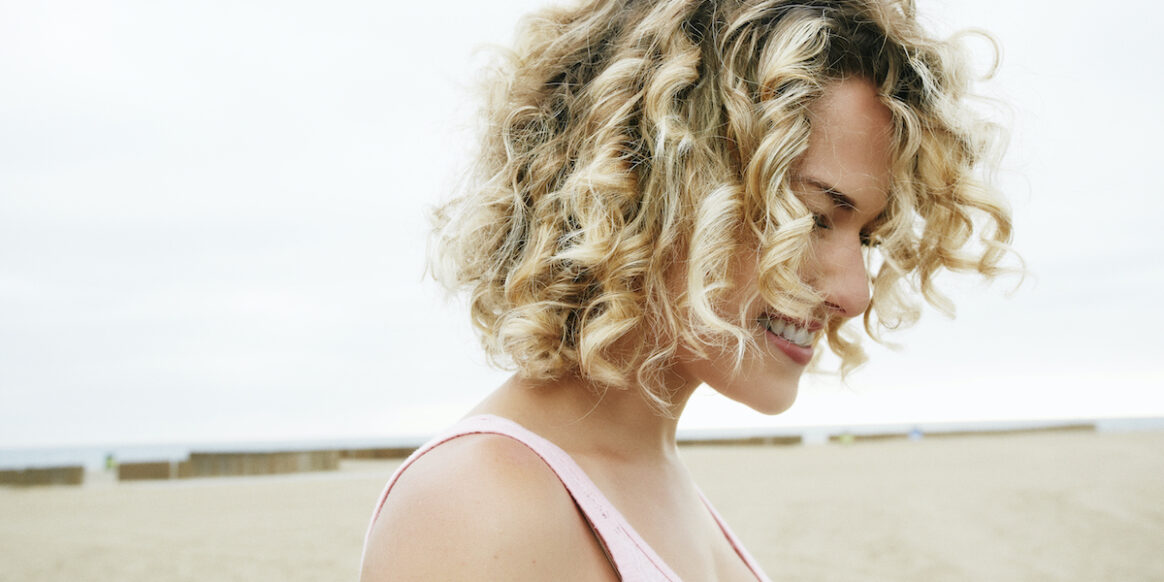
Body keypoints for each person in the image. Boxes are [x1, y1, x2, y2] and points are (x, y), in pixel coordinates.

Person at [361, 0, 1013, 580]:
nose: (855, 291)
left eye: (866, 238)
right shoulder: (481, 508)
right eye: (812, 219)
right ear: (657, 180)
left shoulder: (651, 475)